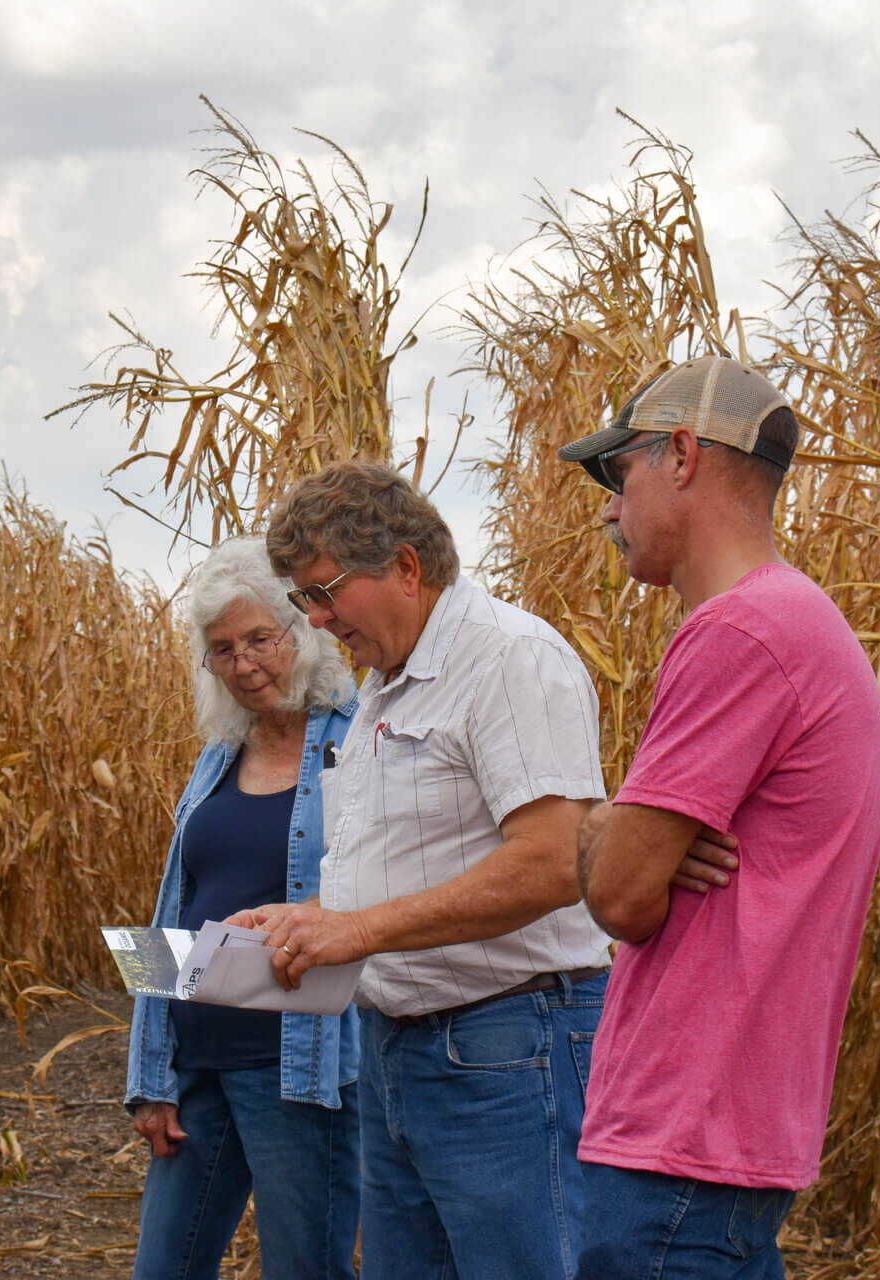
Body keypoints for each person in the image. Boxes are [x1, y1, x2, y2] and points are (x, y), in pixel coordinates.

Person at [239, 459, 620, 1280]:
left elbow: (557, 860)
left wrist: (359, 930)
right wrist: (305, 922)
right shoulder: (383, 691)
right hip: (400, 1053)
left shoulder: (507, 660)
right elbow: (397, 863)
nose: (317, 618)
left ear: (406, 566)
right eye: (303, 600)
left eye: (325, 591)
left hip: (509, 1052)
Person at [558, 356, 880, 1277]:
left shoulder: (740, 633)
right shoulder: (800, 624)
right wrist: (622, 831)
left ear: (680, 454)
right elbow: (629, 861)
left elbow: (624, 895)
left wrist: (610, 831)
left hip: (681, 1138)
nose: (607, 509)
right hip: (723, 1139)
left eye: (615, 474)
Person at [124, 537, 362, 1280]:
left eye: (260, 638)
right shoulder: (217, 757)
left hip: (300, 1072)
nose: (244, 664)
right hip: (198, 1067)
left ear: (307, 631)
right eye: (222, 650)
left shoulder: (361, 744)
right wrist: (150, 1075)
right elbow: (175, 906)